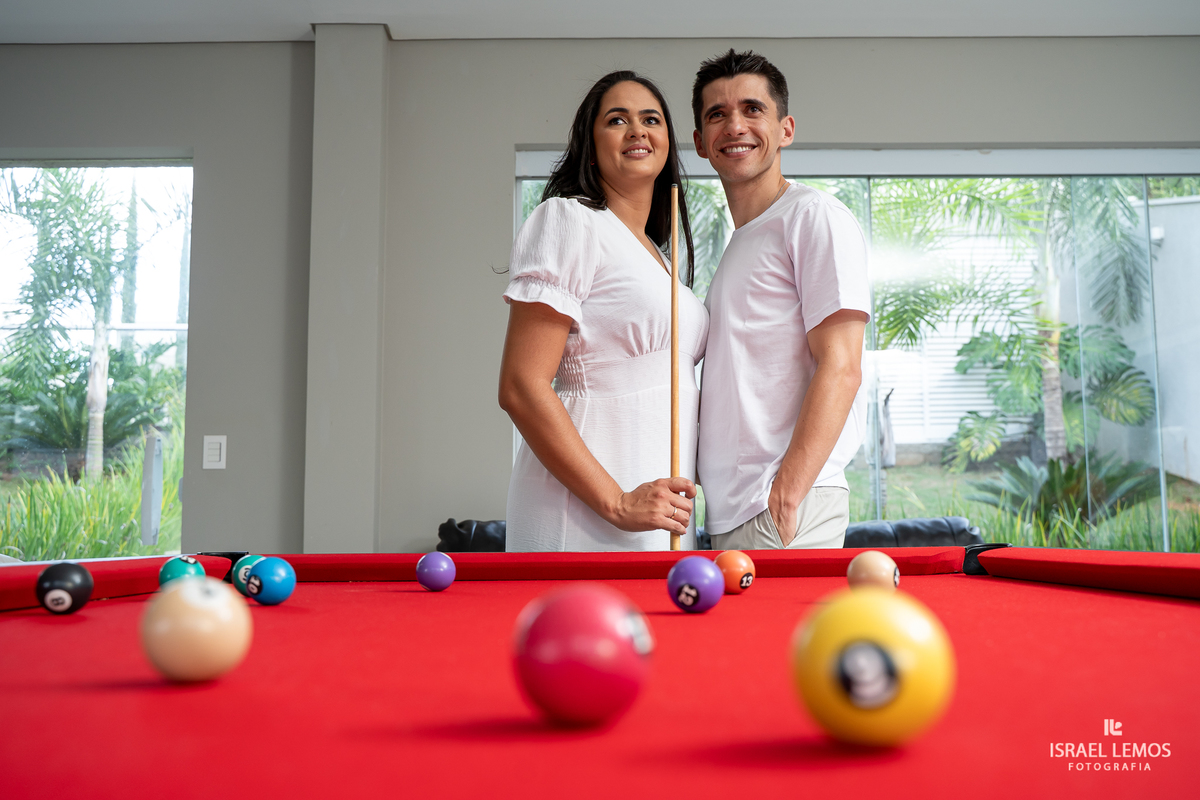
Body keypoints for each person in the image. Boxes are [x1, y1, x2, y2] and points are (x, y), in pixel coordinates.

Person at [498, 71, 709, 552]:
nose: (637, 130)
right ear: (590, 146)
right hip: (587, 508)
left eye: (651, 119)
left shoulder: (659, 257)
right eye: (617, 120)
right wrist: (616, 502)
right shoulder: (569, 218)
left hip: (660, 510)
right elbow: (520, 386)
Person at [692, 50, 871, 550]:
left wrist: (787, 495)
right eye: (717, 114)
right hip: (732, 512)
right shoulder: (740, 243)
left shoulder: (813, 216)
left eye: (752, 109)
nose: (735, 126)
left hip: (779, 508)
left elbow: (842, 366)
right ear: (701, 143)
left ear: (785, 129)